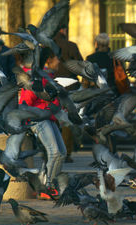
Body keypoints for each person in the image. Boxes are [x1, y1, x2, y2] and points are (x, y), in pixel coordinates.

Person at [19, 47, 66, 191]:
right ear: (49, 60)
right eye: (58, 58)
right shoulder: (35, 76)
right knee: (55, 152)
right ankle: (48, 186)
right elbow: (26, 101)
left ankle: (48, 183)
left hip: (48, 117)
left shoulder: (46, 76)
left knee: (62, 152)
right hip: (38, 119)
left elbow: (54, 99)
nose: (60, 61)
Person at [54, 25, 83, 163]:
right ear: (63, 30)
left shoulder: (46, 47)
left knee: (52, 117)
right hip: (70, 85)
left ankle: (52, 150)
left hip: (52, 85)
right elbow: (80, 65)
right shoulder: (71, 46)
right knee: (67, 119)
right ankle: (66, 151)